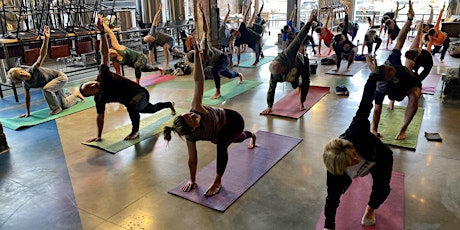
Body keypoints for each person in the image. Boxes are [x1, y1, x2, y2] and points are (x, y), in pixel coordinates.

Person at [162, 34, 256, 197]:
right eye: (191, 119)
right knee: (239, 138)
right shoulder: (191, 137)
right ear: (193, 130)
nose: (192, 114)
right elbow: (192, 159)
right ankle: (251, 135)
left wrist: (198, 54)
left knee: (222, 144)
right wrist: (192, 180)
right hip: (218, 133)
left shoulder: (196, 107)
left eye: (188, 114)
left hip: (232, 120)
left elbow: (199, 81)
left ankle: (217, 181)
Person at [322, 55, 393, 230]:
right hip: (346, 172)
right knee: (334, 194)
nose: (355, 160)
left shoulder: (357, 130)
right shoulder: (335, 173)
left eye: (353, 155)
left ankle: (370, 209)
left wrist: (374, 75)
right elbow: (331, 200)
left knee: (383, 188)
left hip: (378, 156)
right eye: (350, 162)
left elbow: (366, 102)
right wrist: (328, 226)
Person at [80, 18, 176, 141]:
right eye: (91, 89)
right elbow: (100, 116)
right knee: (152, 109)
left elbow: (104, 54)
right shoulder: (99, 99)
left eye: (90, 84)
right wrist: (99, 136)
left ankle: (135, 131)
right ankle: (169, 104)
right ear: (92, 94)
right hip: (133, 100)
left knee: (132, 106)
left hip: (140, 93)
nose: (93, 86)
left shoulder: (103, 75)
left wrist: (102, 33)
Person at [7, 25, 85, 117]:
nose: (23, 74)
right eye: (20, 76)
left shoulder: (33, 69)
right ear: (20, 80)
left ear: (23, 70)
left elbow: (42, 55)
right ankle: (75, 95)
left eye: (21, 72)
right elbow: (27, 98)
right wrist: (28, 112)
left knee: (46, 89)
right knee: (65, 105)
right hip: (52, 85)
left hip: (60, 78)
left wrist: (46, 39)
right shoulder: (26, 84)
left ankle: (56, 108)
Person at [372, 0, 421, 140]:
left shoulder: (391, 61)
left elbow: (400, 39)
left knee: (413, 95)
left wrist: (409, 19)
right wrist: (374, 130)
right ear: (386, 78)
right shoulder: (381, 88)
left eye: (390, 67)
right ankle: (393, 100)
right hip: (395, 90)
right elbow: (377, 110)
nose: (392, 68)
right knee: (393, 95)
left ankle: (403, 129)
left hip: (412, 82)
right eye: (390, 70)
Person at [261, 9, 317, 114]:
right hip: (291, 72)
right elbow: (271, 89)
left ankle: (302, 101)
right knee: (295, 84)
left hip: (301, 63)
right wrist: (269, 106)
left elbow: (300, 38)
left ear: (283, 66)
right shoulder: (275, 74)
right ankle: (297, 86)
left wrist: (309, 21)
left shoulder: (288, 54)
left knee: (305, 82)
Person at [195, 2, 243, 99]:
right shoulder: (197, 57)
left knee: (215, 70)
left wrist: (203, 13)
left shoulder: (204, 45)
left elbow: (206, 29)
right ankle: (239, 75)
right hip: (217, 62)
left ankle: (218, 92)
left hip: (223, 58)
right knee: (229, 75)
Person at [98, 14, 161, 84]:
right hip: (135, 64)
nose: (111, 51)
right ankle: (160, 69)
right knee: (147, 69)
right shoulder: (115, 60)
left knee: (137, 66)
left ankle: (137, 83)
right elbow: (118, 72)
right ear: (110, 56)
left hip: (141, 57)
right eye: (110, 53)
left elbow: (110, 32)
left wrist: (102, 24)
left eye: (110, 50)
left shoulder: (116, 46)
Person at [143, 3, 186, 70]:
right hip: (166, 43)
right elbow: (150, 55)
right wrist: (151, 66)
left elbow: (155, 20)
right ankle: (185, 55)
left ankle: (167, 64)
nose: (152, 39)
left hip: (170, 39)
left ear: (150, 36)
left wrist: (159, 10)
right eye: (151, 40)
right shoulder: (150, 44)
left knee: (165, 47)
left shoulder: (152, 31)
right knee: (176, 51)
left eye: (151, 38)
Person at [230, 0, 264, 66]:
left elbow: (245, 16)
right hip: (251, 43)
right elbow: (238, 52)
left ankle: (256, 61)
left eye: (236, 33)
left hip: (257, 37)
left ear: (236, 30)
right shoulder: (237, 41)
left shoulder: (242, 27)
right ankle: (261, 53)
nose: (237, 35)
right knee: (256, 49)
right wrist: (238, 62)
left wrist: (249, 6)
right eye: (235, 35)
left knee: (257, 48)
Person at [332, 6, 358, 72]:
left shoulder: (343, 34)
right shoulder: (336, 46)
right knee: (338, 55)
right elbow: (338, 57)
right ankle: (350, 59)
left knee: (351, 50)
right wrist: (338, 68)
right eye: (342, 38)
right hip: (345, 52)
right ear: (340, 41)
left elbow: (346, 24)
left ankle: (348, 67)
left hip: (353, 48)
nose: (344, 37)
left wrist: (346, 13)